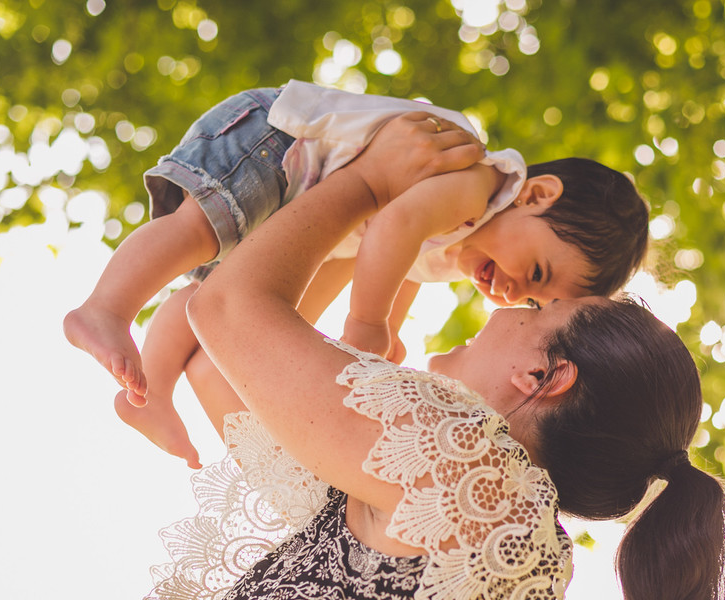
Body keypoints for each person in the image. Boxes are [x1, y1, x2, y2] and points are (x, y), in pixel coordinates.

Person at [145, 114, 725, 600]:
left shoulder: (475, 475)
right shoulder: (416, 497)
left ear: (544, 376)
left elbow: (228, 308)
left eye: (537, 307)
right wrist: (368, 228)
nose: (504, 306)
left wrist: (369, 182)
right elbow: (222, 356)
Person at [64, 82, 648, 469]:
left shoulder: (456, 248)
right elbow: (394, 229)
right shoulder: (476, 182)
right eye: (538, 270)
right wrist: (367, 323)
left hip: (303, 193)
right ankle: (105, 310)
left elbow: (405, 268)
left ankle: (152, 392)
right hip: (279, 141)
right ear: (537, 196)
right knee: (198, 229)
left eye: (536, 300)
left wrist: (386, 341)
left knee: (206, 295)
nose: (515, 293)